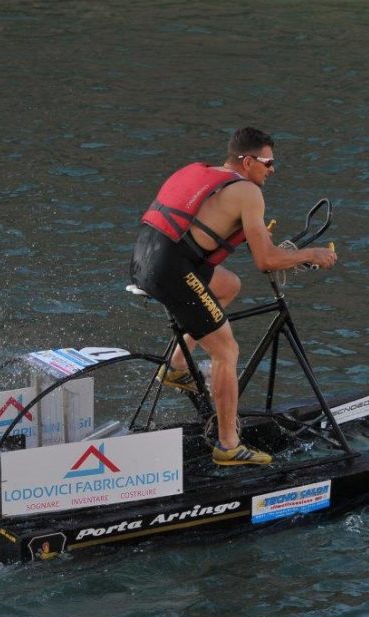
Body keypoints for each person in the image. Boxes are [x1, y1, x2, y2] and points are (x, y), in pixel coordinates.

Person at [129, 127, 338, 466]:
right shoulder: (248, 192)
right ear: (247, 161)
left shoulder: (206, 173)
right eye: (268, 163)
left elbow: (203, 227)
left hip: (146, 259)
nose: (272, 170)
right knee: (226, 350)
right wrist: (310, 254)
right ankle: (228, 445)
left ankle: (176, 366)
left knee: (229, 285)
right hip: (171, 270)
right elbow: (265, 260)